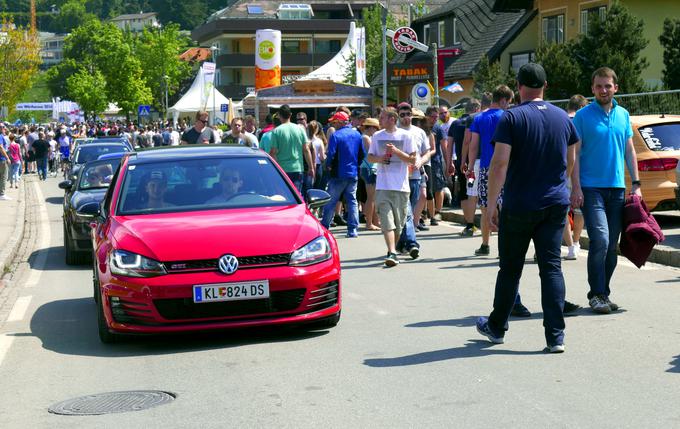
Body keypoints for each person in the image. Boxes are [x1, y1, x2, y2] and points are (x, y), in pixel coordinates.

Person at [476, 63, 580, 353]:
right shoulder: (563, 118)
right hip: (555, 202)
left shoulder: (511, 118)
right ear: (545, 85)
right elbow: (571, 160)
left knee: (510, 269)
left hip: (520, 203)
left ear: (519, 86)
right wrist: (563, 187)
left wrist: (491, 205)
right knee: (551, 268)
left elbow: (499, 164)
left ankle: (497, 327)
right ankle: (555, 336)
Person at [571, 67, 641, 314]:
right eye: (598, 86)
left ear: (615, 88)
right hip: (591, 189)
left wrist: (637, 183)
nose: (603, 90)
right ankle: (596, 294)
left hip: (617, 188)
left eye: (607, 86)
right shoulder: (582, 116)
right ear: (592, 89)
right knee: (600, 239)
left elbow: (630, 150)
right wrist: (575, 186)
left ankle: (604, 292)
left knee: (612, 244)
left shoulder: (623, 115)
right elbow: (575, 154)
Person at [366, 107, 417, 267]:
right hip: (383, 186)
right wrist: (381, 158)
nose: (379, 120)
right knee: (387, 222)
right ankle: (392, 252)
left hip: (401, 187)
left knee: (399, 225)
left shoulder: (406, 136)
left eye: (382, 118)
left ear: (392, 119)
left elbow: (413, 160)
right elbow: (370, 157)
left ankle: (394, 250)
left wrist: (396, 151)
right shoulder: (376, 136)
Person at [468, 85, 514, 256]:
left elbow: (473, 146)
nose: (508, 105)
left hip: (486, 167)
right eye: (508, 102)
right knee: (507, 206)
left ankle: (485, 244)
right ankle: (505, 247)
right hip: (508, 166)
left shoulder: (479, 118)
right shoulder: (508, 116)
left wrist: (471, 167)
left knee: (486, 206)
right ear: (503, 100)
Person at [320, 111, 365, 237]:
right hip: (353, 173)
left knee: (331, 201)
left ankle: (324, 227)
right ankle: (353, 229)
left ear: (339, 122)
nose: (333, 124)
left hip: (338, 174)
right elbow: (362, 154)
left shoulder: (336, 135)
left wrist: (328, 166)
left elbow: (331, 154)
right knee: (352, 201)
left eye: (334, 122)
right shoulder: (357, 134)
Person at [449, 99, 482, 236]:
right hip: (477, 161)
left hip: (463, 165)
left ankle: (469, 224)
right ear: (476, 108)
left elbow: (449, 145)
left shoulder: (455, 123)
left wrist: (450, 161)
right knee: (481, 192)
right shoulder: (478, 120)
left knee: (466, 193)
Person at [563, 94, 589, 260]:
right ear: (581, 107)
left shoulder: (562, 120)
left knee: (563, 211)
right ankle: (577, 242)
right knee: (579, 209)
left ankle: (570, 245)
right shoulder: (583, 121)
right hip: (580, 170)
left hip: (563, 170)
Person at [269, 104, 315, 194]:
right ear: (290, 115)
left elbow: (273, 152)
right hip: (297, 168)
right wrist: (311, 167)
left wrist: (274, 169)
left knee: (283, 196)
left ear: (279, 116)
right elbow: (306, 149)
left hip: (282, 169)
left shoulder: (276, 131)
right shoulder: (300, 129)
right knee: (296, 195)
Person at [359, 118, 380, 230]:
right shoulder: (366, 138)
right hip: (368, 168)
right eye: (376, 128)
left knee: (373, 197)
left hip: (370, 168)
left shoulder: (367, 137)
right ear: (371, 127)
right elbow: (372, 153)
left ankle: (375, 221)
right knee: (371, 197)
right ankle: (369, 223)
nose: (377, 131)